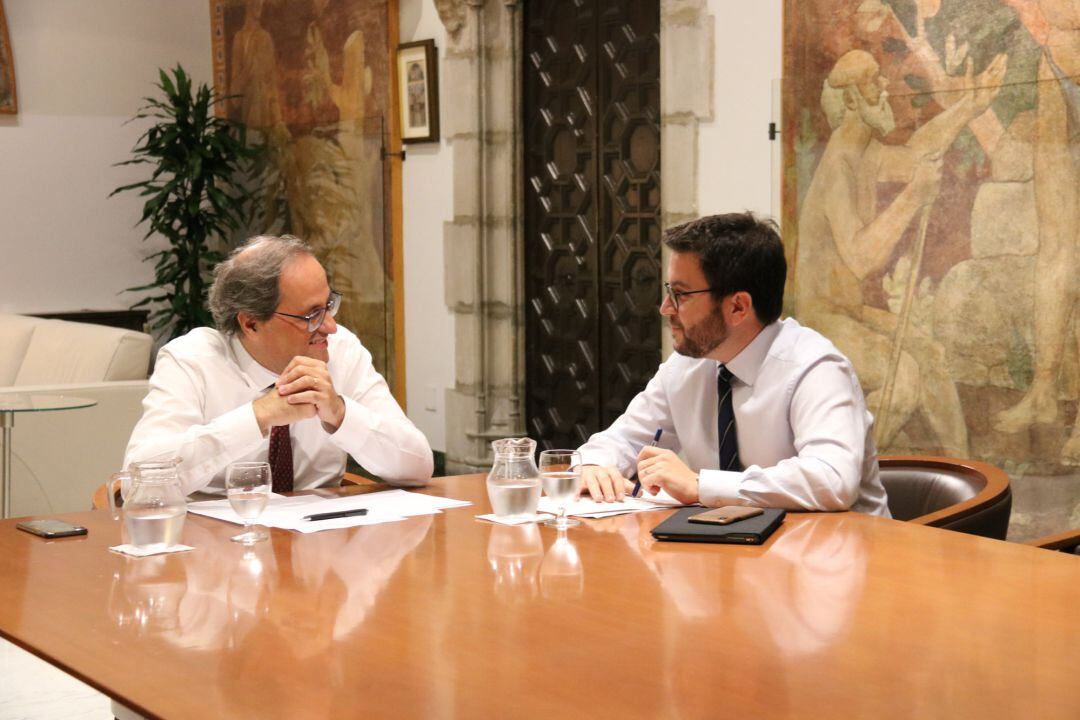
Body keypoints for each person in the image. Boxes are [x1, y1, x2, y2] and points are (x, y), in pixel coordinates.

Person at [576, 212, 890, 516]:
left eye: (681, 295)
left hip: (842, 557)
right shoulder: (687, 367)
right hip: (733, 558)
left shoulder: (815, 368)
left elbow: (832, 480)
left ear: (738, 306)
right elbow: (624, 439)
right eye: (668, 292)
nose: (664, 308)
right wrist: (594, 465)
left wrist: (702, 485)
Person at [124, 235, 433, 496]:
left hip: (321, 551)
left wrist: (340, 413)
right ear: (251, 323)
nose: (331, 326)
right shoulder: (191, 360)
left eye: (328, 305)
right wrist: (258, 416)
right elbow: (139, 484)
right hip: (219, 549)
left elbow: (418, 466)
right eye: (311, 315)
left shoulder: (341, 350)